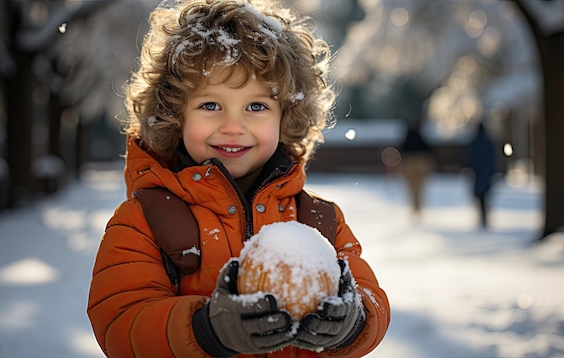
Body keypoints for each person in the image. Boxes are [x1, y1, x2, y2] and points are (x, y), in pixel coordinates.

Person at [87, 0, 390, 357]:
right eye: (211, 105)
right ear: (175, 114)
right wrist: (208, 329)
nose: (233, 127)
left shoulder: (320, 222)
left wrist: (351, 322)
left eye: (257, 106)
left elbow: (371, 300)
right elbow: (122, 323)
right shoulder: (143, 222)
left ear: (286, 117)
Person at [399, 118, 435, 217]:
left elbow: (402, 148)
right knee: (419, 187)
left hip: (409, 162)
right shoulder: (420, 135)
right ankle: (417, 208)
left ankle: (415, 208)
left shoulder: (407, 136)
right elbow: (428, 148)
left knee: (412, 188)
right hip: (420, 162)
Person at [465, 121, 497, 228]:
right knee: (485, 195)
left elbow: (469, 157)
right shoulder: (489, 143)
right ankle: (484, 217)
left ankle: (482, 216)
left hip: (478, 172)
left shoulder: (474, 142)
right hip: (486, 172)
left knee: (479, 195)